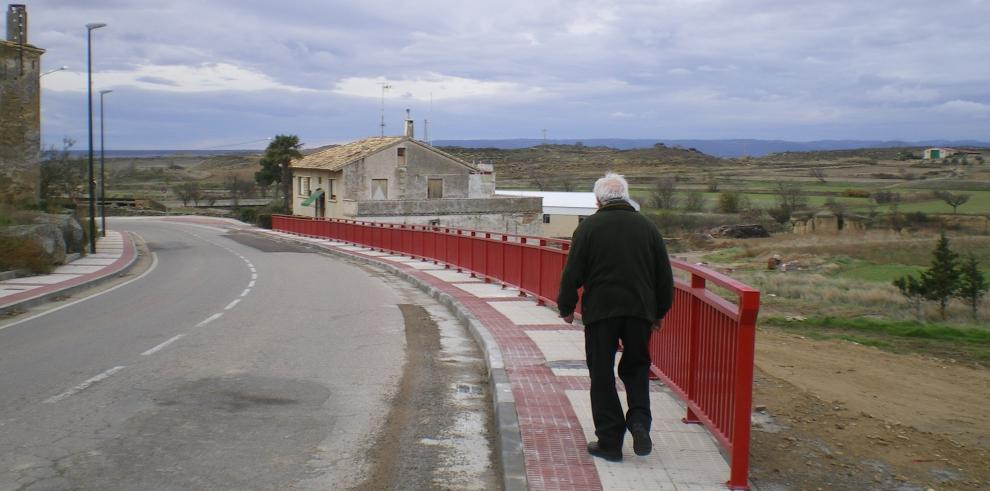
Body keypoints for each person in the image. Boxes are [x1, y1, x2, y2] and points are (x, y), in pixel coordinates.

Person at [557, 172, 674, 462]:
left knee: (602, 373)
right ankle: (639, 423)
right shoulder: (647, 227)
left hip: (601, 313)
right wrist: (659, 312)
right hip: (639, 312)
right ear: (626, 195)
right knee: (636, 368)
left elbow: (573, 272)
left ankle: (609, 442)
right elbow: (663, 275)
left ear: (598, 200)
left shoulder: (589, 228)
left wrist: (567, 306)